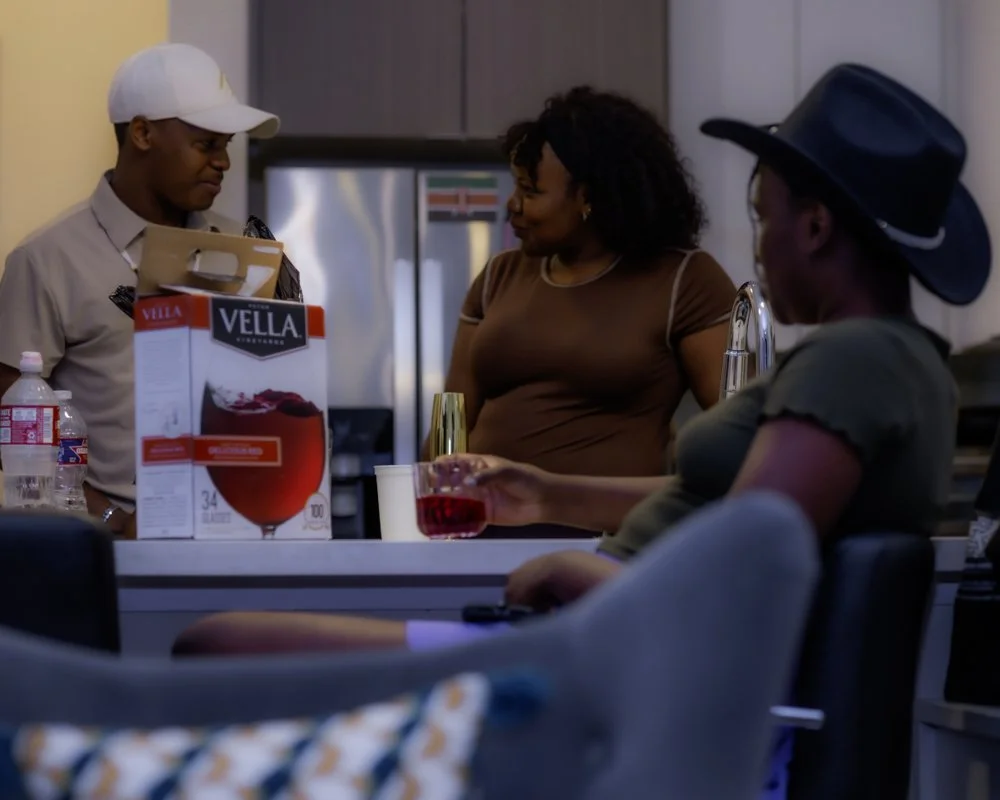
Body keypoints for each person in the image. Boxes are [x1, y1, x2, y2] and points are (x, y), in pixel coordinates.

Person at [175, 63, 988, 662]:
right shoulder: (890, 361)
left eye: (761, 215)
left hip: (608, 651)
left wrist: (587, 573)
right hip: (601, 632)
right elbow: (736, 518)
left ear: (813, 228)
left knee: (219, 643)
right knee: (225, 641)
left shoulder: (854, 361)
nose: (757, 245)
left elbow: (741, 568)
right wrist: (546, 493)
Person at [427, 87, 735, 538]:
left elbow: (739, 433)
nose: (512, 205)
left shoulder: (684, 279)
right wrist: (432, 501)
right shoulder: (498, 276)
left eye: (530, 191)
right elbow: (451, 418)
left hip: (609, 544)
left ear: (589, 197)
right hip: (480, 538)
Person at [0, 43, 280, 535]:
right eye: (206, 145)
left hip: (236, 531)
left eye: (226, 145)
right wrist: (111, 522)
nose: (223, 162)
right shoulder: (47, 259)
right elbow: (13, 423)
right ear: (143, 133)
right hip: (106, 550)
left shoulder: (243, 251)